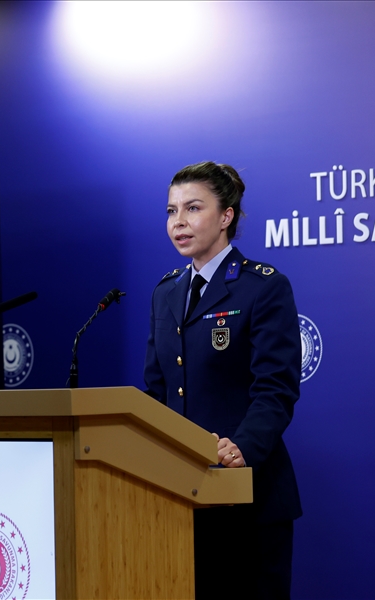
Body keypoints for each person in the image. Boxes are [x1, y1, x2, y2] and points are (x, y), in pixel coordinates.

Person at [143, 161, 302, 599]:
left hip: (246, 497)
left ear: (226, 216)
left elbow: (275, 389)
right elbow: (156, 393)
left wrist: (242, 448)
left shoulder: (263, 288)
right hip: (179, 496)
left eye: (193, 208)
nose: (179, 222)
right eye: (172, 211)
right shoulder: (166, 291)